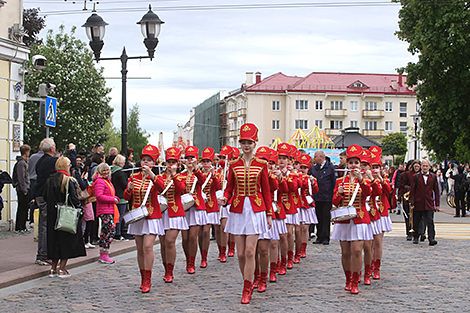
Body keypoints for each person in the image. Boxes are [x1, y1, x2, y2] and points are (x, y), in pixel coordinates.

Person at [219, 123, 272, 304]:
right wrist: (225, 198)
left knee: (250, 251)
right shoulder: (233, 164)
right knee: (241, 254)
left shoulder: (262, 164)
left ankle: (247, 288)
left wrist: (269, 214)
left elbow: (266, 191)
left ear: (255, 143)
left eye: (249, 142)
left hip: (256, 210)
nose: (246, 145)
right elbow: (229, 189)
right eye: (243, 142)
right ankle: (248, 278)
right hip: (238, 209)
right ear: (240, 144)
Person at [331, 144, 372, 294]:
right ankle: (348, 279)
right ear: (346, 164)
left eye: (356, 163)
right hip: (344, 220)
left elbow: (368, 194)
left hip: (360, 219)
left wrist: (361, 179)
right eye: (351, 162)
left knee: (356, 250)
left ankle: (355, 281)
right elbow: (335, 202)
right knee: (345, 252)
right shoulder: (340, 181)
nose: (353, 165)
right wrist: (339, 193)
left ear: (360, 164)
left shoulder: (365, 180)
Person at [124, 145, 165, 293]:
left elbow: (162, 188)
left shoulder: (157, 177)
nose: (145, 163)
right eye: (143, 160)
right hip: (138, 216)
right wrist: (128, 189)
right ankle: (142, 278)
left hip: (152, 215)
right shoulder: (133, 176)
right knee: (140, 249)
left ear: (154, 163)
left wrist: (152, 176)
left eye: (149, 160)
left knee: (148, 247)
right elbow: (127, 197)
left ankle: (148, 279)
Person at [35, 139, 76, 265]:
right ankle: (44, 254)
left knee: (43, 224)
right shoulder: (53, 161)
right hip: (48, 195)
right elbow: (71, 163)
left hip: (39, 194)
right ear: (52, 149)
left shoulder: (39, 161)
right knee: (47, 225)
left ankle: (43, 254)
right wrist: (72, 150)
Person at [43, 157, 86, 278]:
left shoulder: (50, 180)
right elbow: (74, 198)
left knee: (54, 240)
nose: (70, 166)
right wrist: (80, 210)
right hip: (66, 215)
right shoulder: (68, 180)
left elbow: (45, 196)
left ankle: (53, 269)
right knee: (66, 241)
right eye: (69, 165)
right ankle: (62, 269)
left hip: (53, 215)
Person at [160, 147, 188, 283]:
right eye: (168, 162)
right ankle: (166, 269)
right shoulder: (159, 177)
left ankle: (170, 271)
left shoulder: (181, 176)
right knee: (163, 243)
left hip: (175, 212)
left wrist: (174, 175)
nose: (170, 165)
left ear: (178, 164)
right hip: (161, 212)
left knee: (170, 241)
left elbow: (181, 189)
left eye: (174, 162)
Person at [179, 146, 207, 274]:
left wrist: (196, 168)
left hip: (196, 207)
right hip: (184, 207)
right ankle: (187, 258)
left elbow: (202, 181)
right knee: (184, 238)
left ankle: (192, 262)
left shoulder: (199, 173)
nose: (189, 160)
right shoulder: (181, 174)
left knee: (192, 237)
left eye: (192, 158)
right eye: (187, 158)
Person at [93, 163, 120, 264]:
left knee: (106, 231)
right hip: (105, 210)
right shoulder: (100, 181)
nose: (106, 172)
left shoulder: (106, 181)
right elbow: (99, 196)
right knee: (109, 231)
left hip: (109, 209)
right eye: (104, 170)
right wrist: (113, 199)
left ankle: (104, 254)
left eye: (107, 170)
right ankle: (104, 253)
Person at [199, 147, 220, 268]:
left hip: (211, 205)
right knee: (199, 233)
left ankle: (204, 257)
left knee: (206, 231)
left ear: (212, 162)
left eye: (208, 162)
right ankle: (201, 253)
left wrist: (213, 175)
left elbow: (218, 187)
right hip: (200, 204)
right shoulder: (199, 173)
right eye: (204, 162)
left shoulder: (215, 174)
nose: (206, 164)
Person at [409, 159, 439, 245]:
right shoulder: (416, 176)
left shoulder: (433, 176)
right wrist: (412, 202)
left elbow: (436, 190)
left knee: (430, 221)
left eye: (426, 166)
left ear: (429, 167)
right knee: (417, 221)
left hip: (429, 203)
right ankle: (416, 236)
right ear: (421, 167)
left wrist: (437, 204)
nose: (425, 167)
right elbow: (412, 190)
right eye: (423, 166)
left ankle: (431, 238)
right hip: (419, 202)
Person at [310, 149, 336, 245]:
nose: (314, 158)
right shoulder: (314, 168)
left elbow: (334, 182)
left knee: (325, 217)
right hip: (317, 196)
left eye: (315, 156)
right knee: (318, 217)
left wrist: (333, 196)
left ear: (321, 157)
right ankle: (319, 236)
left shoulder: (330, 167)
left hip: (326, 196)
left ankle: (325, 236)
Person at [215, 145, 233, 262]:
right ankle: (220, 250)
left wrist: (228, 174)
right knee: (217, 228)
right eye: (221, 157)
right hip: (216, 200)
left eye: (225, 158)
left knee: (225, 227)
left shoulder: (232, 170)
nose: (223, 160)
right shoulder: (216, 171)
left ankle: (228, 249)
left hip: (228, 201)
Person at [398, 160, 421, 241]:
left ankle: (418, 232)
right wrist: (399, 197)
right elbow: (402, 185)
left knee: (417, 216)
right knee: (408, 216)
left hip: (417, 198)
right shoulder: (405, 174)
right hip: (407, 198)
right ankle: (409, 233)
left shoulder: (420, 174)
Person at [13, 144, 31, 233]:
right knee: (22, 208)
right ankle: (20, 227)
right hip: (22, 189)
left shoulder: (22, 162)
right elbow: (21, 177)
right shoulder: (21, 163)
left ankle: (22, 226)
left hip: (22, 188)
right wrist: (24, 189)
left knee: (23, 207)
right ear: (26, 152)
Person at [111, 155, 129, 240]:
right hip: (121, 197)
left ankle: (115, 232)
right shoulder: (120, 173)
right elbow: (124, 185)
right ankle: (118, 233)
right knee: (120, 216)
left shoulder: (112, 171)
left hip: (114, 195)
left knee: (115, 215)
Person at [28, 144, 44, 228]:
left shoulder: (32, 157)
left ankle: (31, 219)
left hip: (31, 180)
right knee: (39, 201)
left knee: (33, 201)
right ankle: (37, 219)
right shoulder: (43, 157)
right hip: (38, 180)